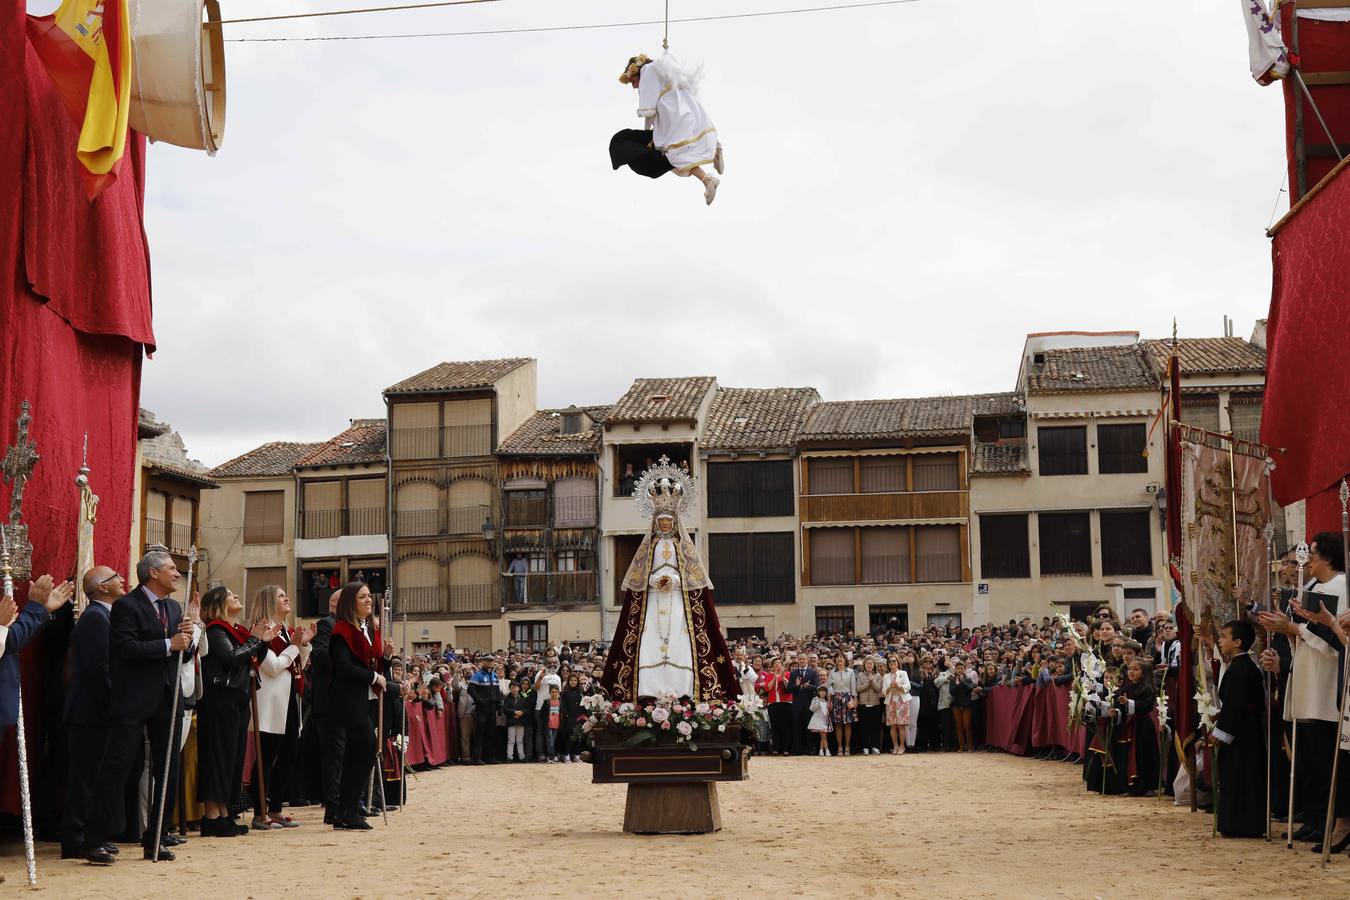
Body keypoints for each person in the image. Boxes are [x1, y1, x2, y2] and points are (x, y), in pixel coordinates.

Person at [87, 550, 195, 862]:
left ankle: (157, 838)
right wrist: (168, 644)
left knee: (168, 769)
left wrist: (188, 639)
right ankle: (95, 838)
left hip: (166, 697)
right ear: (153, 573)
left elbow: (180, 655)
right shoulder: (126, 606)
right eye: (172, 569)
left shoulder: (174, 608)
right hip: (133, 698)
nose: (177, 574)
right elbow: (125, 648)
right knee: (118, 767)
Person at [600, 460, 738, 701]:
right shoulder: (649, 547)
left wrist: (674, 580)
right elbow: (640, 575)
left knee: (681, 640)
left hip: (676, 598)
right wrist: (654, 581)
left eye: (668, 521)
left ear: (674, 522)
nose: (664, 524)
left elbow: (691, 573)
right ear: (655, 522)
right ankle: (647, 691)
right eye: (661, 521)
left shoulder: (681, 546)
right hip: (653, 600)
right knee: (648, 639)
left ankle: (683, 690)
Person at [198, 586, 274, 838]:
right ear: (219, 604)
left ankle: (223, 812)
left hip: (237, 698)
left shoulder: (238, 631)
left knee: (232, 757)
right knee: (219, 755)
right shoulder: (216, 629)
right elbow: (231, 658)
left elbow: (253, 659)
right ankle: (211, 815)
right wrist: (255, 640)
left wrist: (263, 642)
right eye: (230, 595)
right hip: (221, 698)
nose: (236, 596)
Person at [60, 567, 120, 862]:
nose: (122, 579)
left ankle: (91, 835)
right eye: (115, 577)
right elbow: (100, 668)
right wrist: (116, 701)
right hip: (89, 712)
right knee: (83, 779)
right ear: (102, 588)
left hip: (95, 711)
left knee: (93, 778)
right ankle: (76, 838)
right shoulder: (96, 617)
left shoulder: (105, 616)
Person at [613, 53, 725, 205]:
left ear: (639, 72)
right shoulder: (663, 72)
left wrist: (648, 134)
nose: (634, 86)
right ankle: (712, 165)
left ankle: (709, 174)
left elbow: (648, 110)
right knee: (686, 148)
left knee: (676, 155)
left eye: (633, 81)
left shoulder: (648, 72)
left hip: (674, 116)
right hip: (686, 108)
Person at [248, 585, 313, 830]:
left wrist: (302, 646)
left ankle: (275, 808)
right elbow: (273, 666)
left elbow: (297, 666)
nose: (287, 598)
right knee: (266, 756)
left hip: (289, 698)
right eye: (280, 596)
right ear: (268, 602)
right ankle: (259, 812)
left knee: (289, 754)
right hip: (270, 701)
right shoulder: (261, 629)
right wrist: (295, 646)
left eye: (286, 595)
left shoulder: (285, 631)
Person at [326, 582, 388, 831]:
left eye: (368, 596)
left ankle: (345, 810)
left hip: (363, 697)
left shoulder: (368, 628)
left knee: (359, 752)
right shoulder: (342, 630)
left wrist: (384, 658)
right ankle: (348, 808)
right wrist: (374, 678)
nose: (368, 600)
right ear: (351, 602)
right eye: (362, 597)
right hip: (347, 698)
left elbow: (371, 662)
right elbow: (343, 667)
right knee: (364, 747)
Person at [1211, 620, 1268, 837]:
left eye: (1224, 636)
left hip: (1243, 734)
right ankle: (1238, 822)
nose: (1220, 640)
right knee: (1239, 775)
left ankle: (1242, 824)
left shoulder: (1241, 668)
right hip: (1242, 729)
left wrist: (1220, 734)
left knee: (1242, 775)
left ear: (1237, 642)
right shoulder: (1239, 666)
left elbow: (1236, 705)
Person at [307, 589, 341, 824]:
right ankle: (333, 804)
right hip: (328, 701)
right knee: (333, 756)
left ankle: (349, 801)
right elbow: (319, 657)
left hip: (346, 700)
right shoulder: (326, 625)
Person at [760, 658, 793, 756]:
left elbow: (789, 688)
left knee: (786, 726)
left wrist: (783, 678)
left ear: (782, 665)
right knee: (775, 726)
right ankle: (775, 748)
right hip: (773, 703)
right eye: (775, 663)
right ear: (773, 666)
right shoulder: (770, 675)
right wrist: (774, 678)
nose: (777, 664)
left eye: (779, 663)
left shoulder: (788, 674)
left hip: (786, 702)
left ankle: (786, 748)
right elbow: (767, 688)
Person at [827, 653, 857, 756]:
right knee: (838, 724)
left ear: (844, 659)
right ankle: (840, 747)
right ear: (835, 660)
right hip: (836, 698)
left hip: (847, 698)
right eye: (837, 658)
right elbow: (829, 688)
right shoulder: (831, 672)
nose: (839, 659)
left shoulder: (850, 672)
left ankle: (847, 747)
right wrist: (829, 701)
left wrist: (854, 700)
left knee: (848, 723)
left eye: (841, 657)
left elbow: (853, 687)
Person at [789, 655, 819, 755]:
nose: (802, 660)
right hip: (797, 705)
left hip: (808, 705)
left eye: (803, 659)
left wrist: (809, 686)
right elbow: (789, 688)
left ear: (807, 660)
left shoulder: (813, 673)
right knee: (797, 727)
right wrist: (796, 685)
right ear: (798, 660)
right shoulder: (793, 673)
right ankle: (798, 749)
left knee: (809, 727)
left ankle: (809, 749)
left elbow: (817, 687)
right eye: (800, 659)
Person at [883, 655, 911, 755]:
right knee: (893, 726)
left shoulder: (903, 673)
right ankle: (895, 745)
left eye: (894, 661)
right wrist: (890, 688)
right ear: (888, 664)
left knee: (901, 725)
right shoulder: (886, 676)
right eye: (890, 661)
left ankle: (902, 746)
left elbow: (908, 686)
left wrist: (899, 686)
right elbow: (883, 691)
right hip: (890, 701)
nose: (892, 663)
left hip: (901, 701)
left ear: (898, 662)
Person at [855, 656, 883, 755]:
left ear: (873, 665)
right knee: (864, 727)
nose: (869, 665)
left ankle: (875, 746)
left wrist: (873, 680)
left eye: (871, 664)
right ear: (864, 665)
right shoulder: (860, 675)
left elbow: (878, 689)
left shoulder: (878, 675)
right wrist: (868, 683)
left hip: (875, 704)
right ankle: (865, 747)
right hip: (863, 704)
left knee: (875, 727)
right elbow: (858, 689)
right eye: (867, 664)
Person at [503, 681, 528, 761]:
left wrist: (521, 712)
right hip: (511, 722)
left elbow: (527, 709)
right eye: (512, 688)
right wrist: (514, 712)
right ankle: (509, 757)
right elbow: (505, 709)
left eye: (516, 687)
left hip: (521, 722)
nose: (514, 689)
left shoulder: (523, 697)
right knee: (511, 740)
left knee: (520, 740)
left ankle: (522, 757)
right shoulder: (507, 698)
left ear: (519, 688)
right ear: (510, 689)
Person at [808, 684, 833, 756]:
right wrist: (818, 704)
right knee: (823, 736)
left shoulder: (826, 700)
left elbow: (829, 710)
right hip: (818, 720)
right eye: (821, 691)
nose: (823, 692)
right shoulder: (815, 699)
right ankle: (827, 751)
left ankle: (821, 751)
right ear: (818, 692)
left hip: (825, 720)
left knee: (823, 736)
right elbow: (811, 709)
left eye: (824, 691)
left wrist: (829, 702)